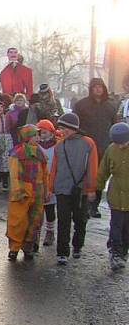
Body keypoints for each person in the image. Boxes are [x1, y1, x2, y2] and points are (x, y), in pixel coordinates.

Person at [49, 113, 99, 266]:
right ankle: (62, 252)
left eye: (64, 128)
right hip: (62, 189)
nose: (62, 132)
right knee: (63, 221)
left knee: (80, 220)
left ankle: (77, 245)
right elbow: (54, 169)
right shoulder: (59, 146)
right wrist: (50, 187)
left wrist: (91, 188)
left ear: (73, 128)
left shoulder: (88, 143)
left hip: (80, 190)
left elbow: (92, 167)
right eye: (60, 128)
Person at [74, 77, 117, 218]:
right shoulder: (82, 105)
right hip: (86, 146)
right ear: (91, 89)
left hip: (104, 147)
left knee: (99, 177)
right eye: (95, 87)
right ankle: (83, 205)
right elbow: (75, 124)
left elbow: (114, 125)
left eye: (101, 86)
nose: (98, 89)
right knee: (85, 176)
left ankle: (94, 206)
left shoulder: (110, 106)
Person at [6, 124, 47, 261]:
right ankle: (14, 248)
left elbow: (45, 173)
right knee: (18, 220)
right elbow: (14, 174)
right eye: (35, 135)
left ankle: (28, 246)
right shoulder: (18, 153)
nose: (38, 138)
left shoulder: (41, 153)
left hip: (38, 190)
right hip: (23, 191)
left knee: (34, 220)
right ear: (27, 137)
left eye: (38, 135)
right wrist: (18, 191)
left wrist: (47, 189)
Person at [96, 122, 129, 271]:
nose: (120, 146)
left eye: (123, 143)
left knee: (127, 228)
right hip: (116, 195)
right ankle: (115, 252)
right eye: (117, 143)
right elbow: (103, 171)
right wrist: (96, 189)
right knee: (116, 225)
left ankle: (123, 252)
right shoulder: (111, 149)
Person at [36, 119, 60, 247]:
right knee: (37, 210)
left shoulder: (57, 146)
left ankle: (50, 232)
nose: (42, 136)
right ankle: (35, 233)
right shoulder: (35, 146)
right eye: (39, 133)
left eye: (44, 132)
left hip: (51, 181)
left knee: (50, 209)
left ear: (51, 132)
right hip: (38, 181)